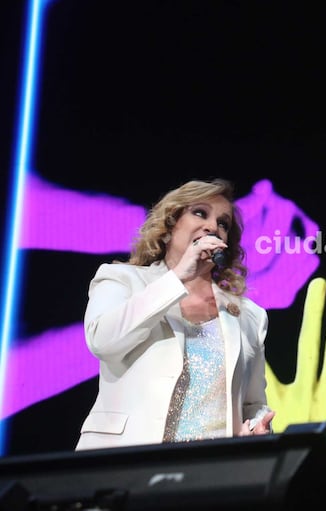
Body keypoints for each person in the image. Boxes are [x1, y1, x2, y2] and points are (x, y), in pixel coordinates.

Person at [75, 178, 275, 450]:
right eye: (200, 213)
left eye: (223, 223)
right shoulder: (122, 280)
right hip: (125, 460)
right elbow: (103, 342)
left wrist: (257, 427)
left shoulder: (249, 316)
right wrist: (178, 277)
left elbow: (253, 403)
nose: (212, 226)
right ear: (169, 228)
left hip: (211, 471)